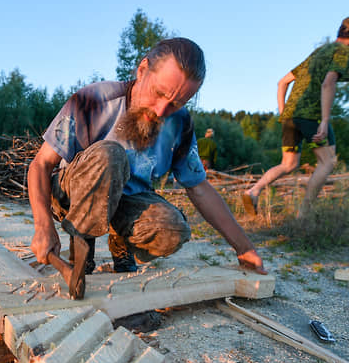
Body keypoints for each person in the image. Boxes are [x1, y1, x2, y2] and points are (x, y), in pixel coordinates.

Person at [28, 38, 265, 281]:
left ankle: (121, 241)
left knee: (172, 229)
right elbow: (41, 164)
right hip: (71, 196)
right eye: (159, 93)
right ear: (142, 71)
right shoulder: (93, 100)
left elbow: (199, 188)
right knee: (111, 155)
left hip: (128, 201)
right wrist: (43, 225)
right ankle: (81, 246)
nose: (161, 111)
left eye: (176, 103)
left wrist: (244, 248)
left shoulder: (180, 124)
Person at [242, 14, 349, 218]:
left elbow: (282, 82)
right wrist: (324, 121)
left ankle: (253, 190)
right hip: (311, 116)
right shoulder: (344, 52)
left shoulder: (319, 52)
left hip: (291, 116)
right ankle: (303, 215)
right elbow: (328, 83)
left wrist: (284, 114)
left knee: (288, 163)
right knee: (327, 162)